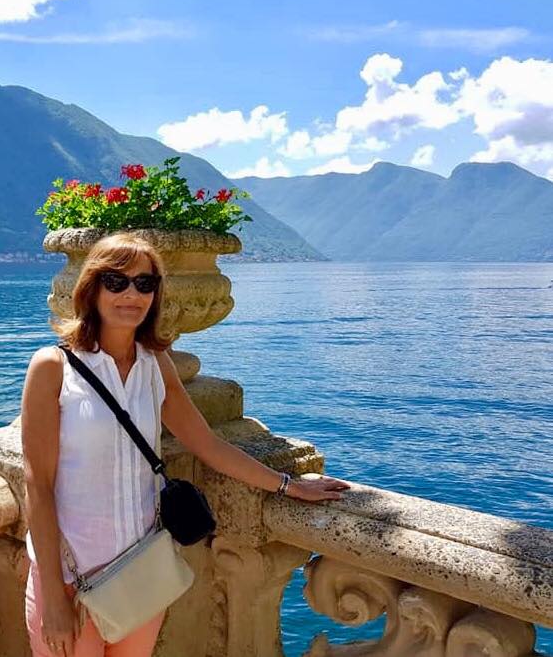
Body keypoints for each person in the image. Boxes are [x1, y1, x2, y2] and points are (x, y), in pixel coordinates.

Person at [21, 233, 349, 657]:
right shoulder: (53, 367)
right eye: (116, 282)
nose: (131, 294)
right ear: (92, 288)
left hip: (139, 574)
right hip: (70, 579)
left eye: (144, 283)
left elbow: (207, 445)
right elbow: (38, 484)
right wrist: (53, 594)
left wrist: (288, 485)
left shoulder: (155, 365)